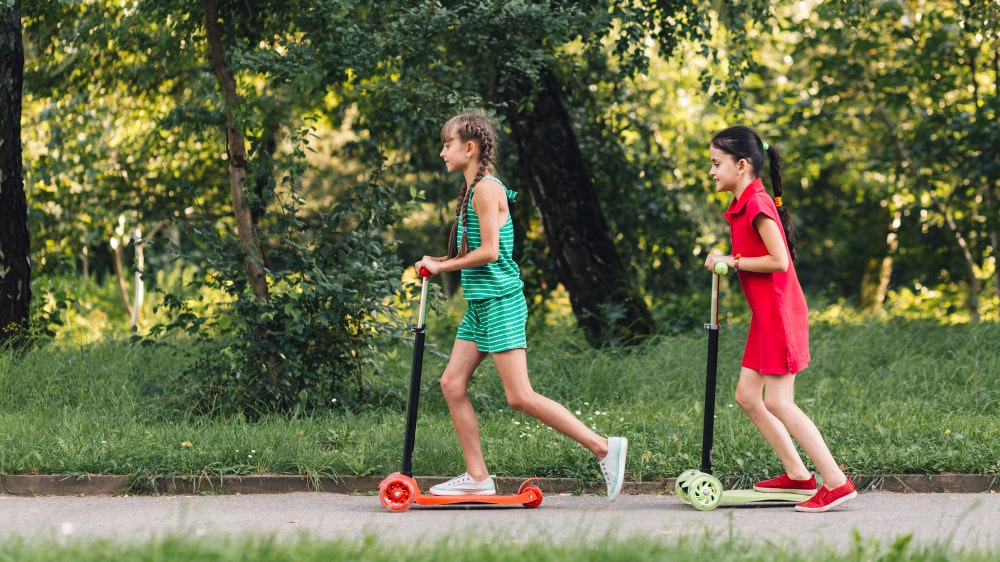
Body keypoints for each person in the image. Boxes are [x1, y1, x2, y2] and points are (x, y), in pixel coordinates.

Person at [414, 112, 628, 500]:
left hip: (500, 302)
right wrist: (440, 260)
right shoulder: (472, 189)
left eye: (448, 144)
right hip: (481, 303)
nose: (442, 152)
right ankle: (477, 476)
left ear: (469, 148)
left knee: (520, 396)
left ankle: (603, 447)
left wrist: (442, 264)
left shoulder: (486, 189)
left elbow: (491, 252)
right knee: (451, 383)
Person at [702, 125, 856, 513]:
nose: (711, 171)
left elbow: (779, 261)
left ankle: (836, 483)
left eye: (716, 164)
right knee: (748, 396)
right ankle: (798, 476)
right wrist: (729, 257)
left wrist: (729, 261)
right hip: (765, 316)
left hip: (780, 315)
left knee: (780, 402)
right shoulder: (743, 204)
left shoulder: (756, 204)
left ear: (741, 165)